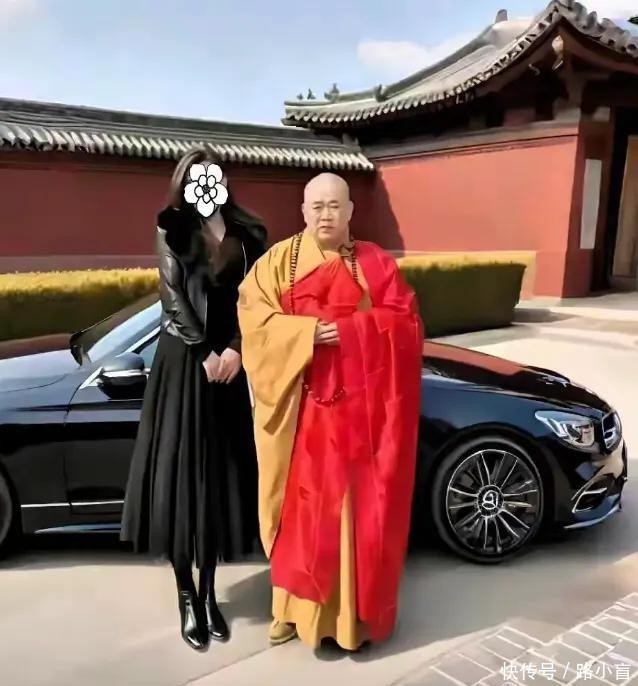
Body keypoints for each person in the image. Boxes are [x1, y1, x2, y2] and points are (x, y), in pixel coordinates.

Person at [237, 172, 423, 651]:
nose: (326, 214)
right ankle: (288, 611)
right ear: (303, 210)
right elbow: (254, 321)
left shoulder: (375, 263)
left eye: (335, 205)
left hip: (361, 418)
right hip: (301, 413)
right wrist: (304, 334)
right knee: (298, 519)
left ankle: (350, 621)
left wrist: (356, 332)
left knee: (353, 520)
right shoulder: (277, 262)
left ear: (350, 211)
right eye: (317, 206)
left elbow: (406, 323)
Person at [120, 147, 267, 651]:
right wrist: (204, 351)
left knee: (220, 481)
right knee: (183, 481)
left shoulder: (246, 234)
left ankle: (209, 594)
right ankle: (187, 597)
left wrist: (238, 349)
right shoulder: (172, 228)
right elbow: (173, 295)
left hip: (231, 364)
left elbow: (256, 298)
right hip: (185, 364)